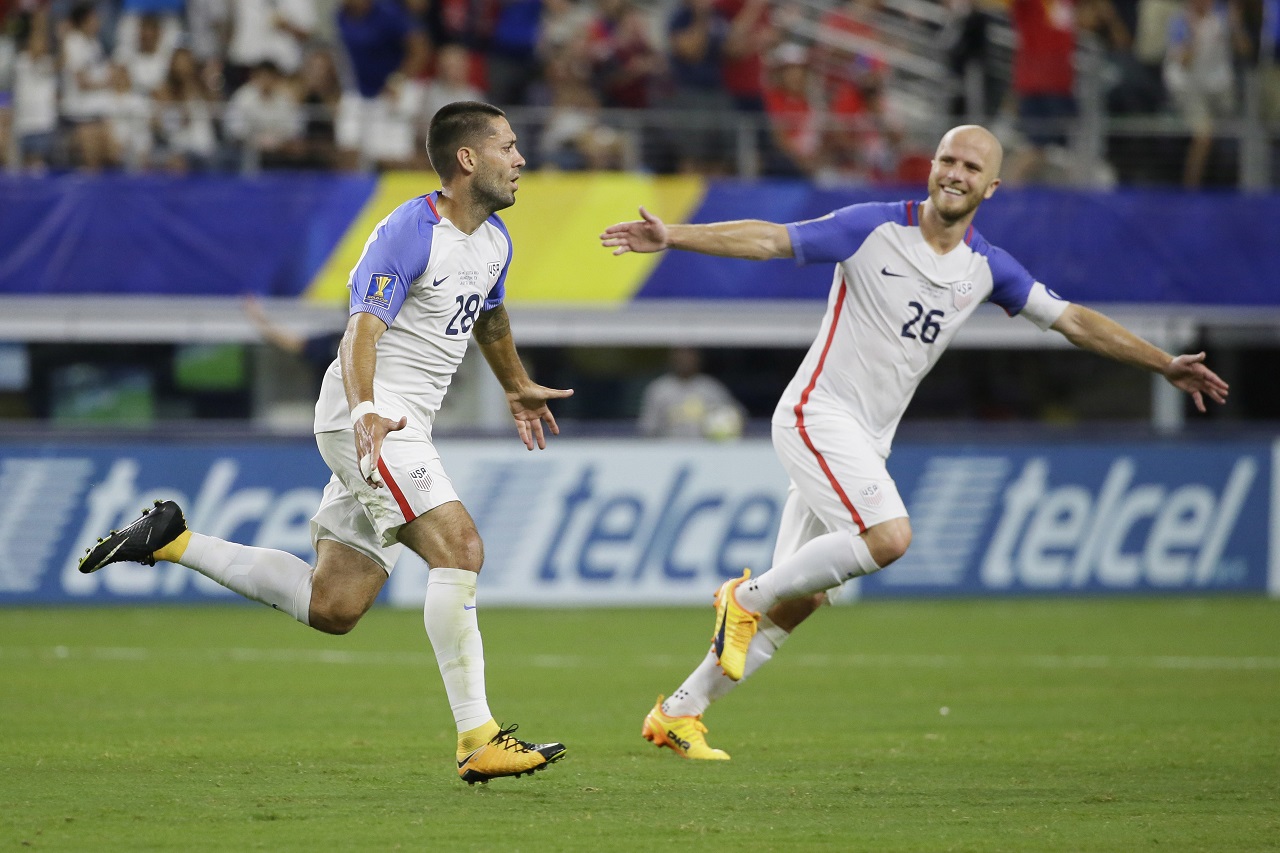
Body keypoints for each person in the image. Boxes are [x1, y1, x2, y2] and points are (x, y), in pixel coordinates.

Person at [599, 124, 1229, 760]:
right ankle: (742, 596)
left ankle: (679, 711)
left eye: (971, 166)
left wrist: (1162, 363)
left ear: (992, 185)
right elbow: (772, 239)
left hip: (868, 440)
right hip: (818, 414)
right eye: (947, 160)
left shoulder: (986, 268)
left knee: (807, 596)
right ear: (931, 167)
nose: (956, 173)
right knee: (889, 537)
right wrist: (673, 235)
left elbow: (1072, 321)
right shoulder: (873, 227)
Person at [80, 101, 573, 785]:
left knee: (334, 605)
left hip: (397, 423)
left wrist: (516, 384)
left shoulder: (494, 241)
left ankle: (170, 539)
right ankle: (477, 736)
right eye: (509, 146)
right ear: (469, 159)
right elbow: (361, 330)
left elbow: (490, 316)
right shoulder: (409, 230)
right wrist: (369, 409)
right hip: (370, 418)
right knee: (460, 547)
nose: (521, 159)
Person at [637, 346, 745, 440]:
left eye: (689, 354)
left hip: (706, 451)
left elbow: (737, 417)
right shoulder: (659, 389)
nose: (685, 359)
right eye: (680, 354)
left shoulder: (711, 389)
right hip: (668, 453)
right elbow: (648, 429)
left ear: (698, 358)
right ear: (672, 358)